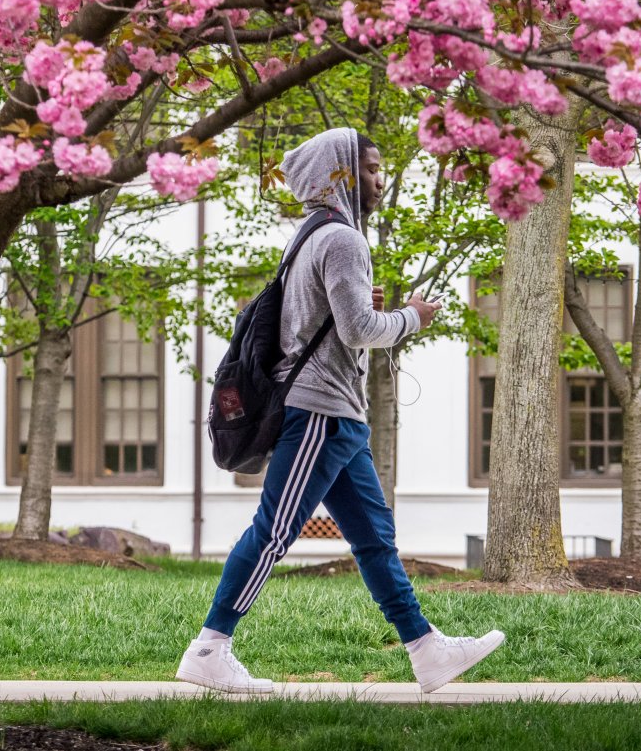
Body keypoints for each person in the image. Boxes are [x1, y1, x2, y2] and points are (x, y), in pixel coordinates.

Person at [176, 127, 504, 694]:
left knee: (374, 539)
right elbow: (358, 330)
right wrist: (412, 317)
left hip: (341, 415)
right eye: (372, 169)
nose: (380, 180)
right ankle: (210, 647)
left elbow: (323, 322)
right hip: (320, 411)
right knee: (275, 530)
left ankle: (427, 651)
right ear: (343, 175)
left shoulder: (311, 236)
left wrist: (366, 308)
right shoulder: (343, 240)